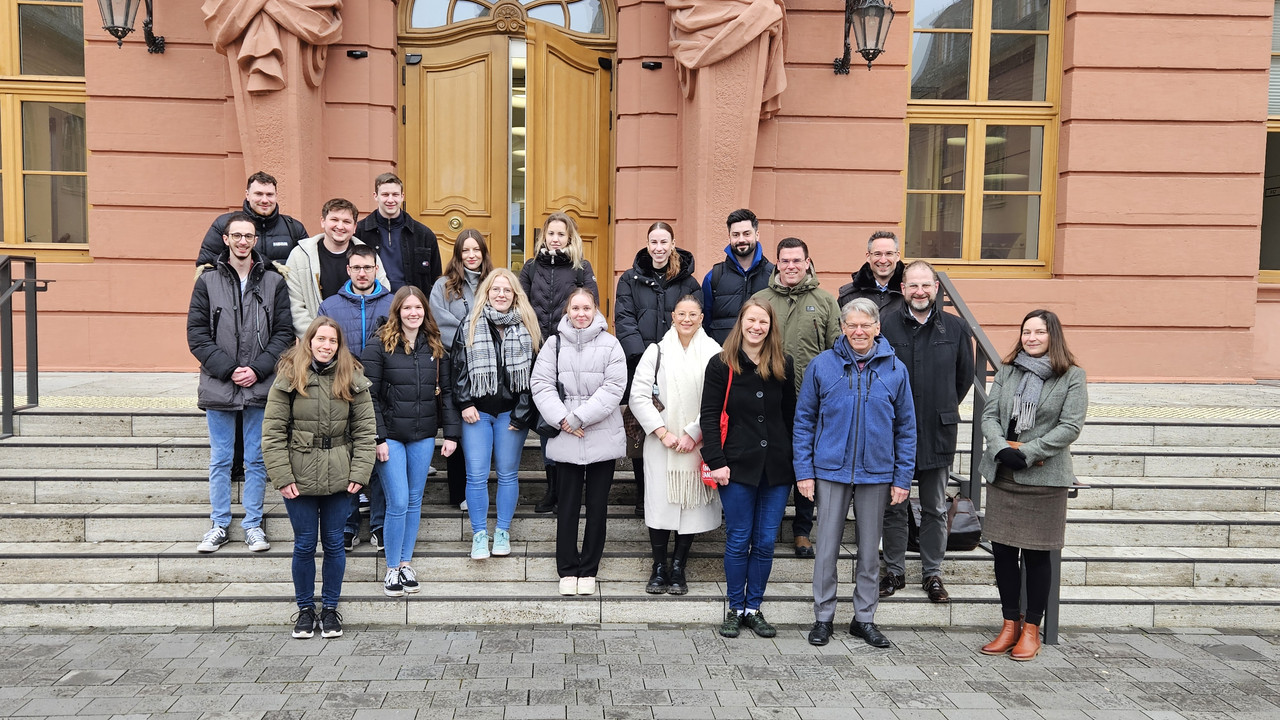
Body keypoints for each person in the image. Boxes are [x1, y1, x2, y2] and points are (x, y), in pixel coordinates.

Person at [793, 297, 916, 649]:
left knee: (867, 552)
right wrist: (804, 471)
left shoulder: (895, 370)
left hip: (877, 473)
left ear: (877, 328)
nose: (858, 331)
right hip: (830, 471)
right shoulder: (823, 366)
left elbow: (906, 428)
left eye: (866, 325)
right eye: (852, 325)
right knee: (827, 548)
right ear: (843, 328)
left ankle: (864, 619)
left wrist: (902, 477)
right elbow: (803, 422)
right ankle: (823, 617)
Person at [978, 309, 1087, 662]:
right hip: (1003, 473)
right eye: (1027, 332)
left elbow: (1070, 426)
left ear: (1052, 336)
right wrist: (999, 448)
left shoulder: (1072, 376)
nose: (1032, 338)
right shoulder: (1008, 371)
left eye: (1039, 332)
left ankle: (1031, 631)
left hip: (1043, 477)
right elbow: (990, 414)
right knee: (1005, 555)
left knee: (1039, 556)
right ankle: (1009, 624)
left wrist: (1027, 453)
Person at [262, 317, 377, 640]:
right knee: (303, 544)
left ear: (339, 346)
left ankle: (329, 609)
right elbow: (272, 433)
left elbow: (366, 431)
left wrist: (359, 472)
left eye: (332, 341)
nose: (326, 346)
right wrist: (282, 476)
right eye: (321, 339)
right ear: (309, 340)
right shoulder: (289, 375)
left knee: (334, 545)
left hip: (340, 475)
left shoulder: (352, 376)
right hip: (298, 475)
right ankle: (304, 610)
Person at [188, 213, 294, 554]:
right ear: (226, 239)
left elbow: (284, 334)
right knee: (220, 460)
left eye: (249, 236)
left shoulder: (274, 281)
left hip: (260, 385)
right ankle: (219, 524)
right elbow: (197, 335)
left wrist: (259, 369)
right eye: (237, 235)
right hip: (220, 384)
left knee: (257, 459)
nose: (243, 241)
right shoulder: (207, 281)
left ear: (255, 240)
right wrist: (230, 369)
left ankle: (252, 525)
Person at [878, 260, 974, 603]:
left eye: (926, 286)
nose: (920, 292)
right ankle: (894, 571)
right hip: (892, 433)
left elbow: (963, 378)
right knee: (893, 506)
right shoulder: (886, 326)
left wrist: (942, 405)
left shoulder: (956, 328)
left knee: (934, 506)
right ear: (902, 289)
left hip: (937, 431)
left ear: (936, 289)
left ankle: (933, 573)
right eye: (913, 286)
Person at [700, 298, 795, 639]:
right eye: (751, 320)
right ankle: (735, 607)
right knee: (739, 539)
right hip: (736, 466)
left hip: (776, 470)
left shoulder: (784, 363)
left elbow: (790, 417)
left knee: (766, 541)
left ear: (771, 327)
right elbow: (709, 417)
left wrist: (796, 466)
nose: (757, 327)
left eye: (763, 322)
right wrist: (717, 462)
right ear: (741, 323)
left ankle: (754, 608)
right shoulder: (720, 364)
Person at [362, 287, 460, 597]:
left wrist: (452, 434)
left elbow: (446, 392)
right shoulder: (379, 345)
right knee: (399, 501)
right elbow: (369, 395)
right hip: (390, 436)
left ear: (425, 311)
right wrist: (378, 437)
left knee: (415, 500)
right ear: (398, 311)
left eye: (418, 307)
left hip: (423, 434)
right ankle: (391, 568)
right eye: (407, 308)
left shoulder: (435, 346)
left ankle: (406, 563)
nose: (413, 313)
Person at [531, 288, 627, 596]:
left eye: (587, 307)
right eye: (575, 308)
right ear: (567, 311)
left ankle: (589, 568)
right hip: (565, 433)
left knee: (597, 507)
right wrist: (562, 418)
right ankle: (567, 568)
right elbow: (541, 384)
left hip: (599, 433)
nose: (581, 313)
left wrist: (579, 418)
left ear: (596, 310)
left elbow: (614, 389)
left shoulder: (611, 344)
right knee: (568, 505)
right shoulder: (553, 344)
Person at [752, 236, 841, 559]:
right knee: (770, 463)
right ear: (777, 263)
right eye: (785, 261)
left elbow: (837, 351)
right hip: (768, 401)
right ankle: (764, 526)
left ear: (807, 263)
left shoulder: (826, 301)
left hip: (811, 401)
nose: (790, 266)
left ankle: (802, 530)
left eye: (796, 261)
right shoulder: (761, 299)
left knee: (807, 465)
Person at [629, 295, 722, 596]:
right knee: (661, 503)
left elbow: (718, 399)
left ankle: (679, 566)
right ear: (672, 316)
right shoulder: (657, 351)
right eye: (681, 313)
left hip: (697, 443)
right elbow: (639, 395)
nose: (686, 319)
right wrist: (662, 432)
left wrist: (693, 433)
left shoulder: (714, 352)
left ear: (701, 317)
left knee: (690, 505)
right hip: (662, 444)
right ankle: (658, 567)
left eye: (692, 314)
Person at [453, 268, 542, 560]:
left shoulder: (527, 326)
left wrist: (522, 412)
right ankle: (480, 534)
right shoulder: (470, 324)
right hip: (476, 413)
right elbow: (458, 366)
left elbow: (535, 375)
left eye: (507, 290)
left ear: (515, 295)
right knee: (476, 475)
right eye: (495, 290)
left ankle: (502, 531)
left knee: (507, 474)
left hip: (510, 414)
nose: (501, 295)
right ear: (486, 293)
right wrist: (464, 402)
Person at [615, 222, 701, 517]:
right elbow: (624, 319)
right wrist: (643, 358)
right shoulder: (629, 279)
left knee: (675, 426)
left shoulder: (688, 282)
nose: (659, 248)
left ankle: (674, 492)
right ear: (647, 244)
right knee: (643, 430)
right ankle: (644, 493)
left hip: (679, 366)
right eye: (654, 242)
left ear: (673, 243)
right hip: (642, 366)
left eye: (664, 241)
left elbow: (694, 320)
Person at [519, 212, 599, 514]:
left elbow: (591, 307)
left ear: (569, 238)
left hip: (574, 354)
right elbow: (521, 305)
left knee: (575, 414)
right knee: (548, 420)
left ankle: (572, 488)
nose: (555, 239)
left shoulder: (581, 268)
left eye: (560, 234)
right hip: (541, 353)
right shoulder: (531, 267)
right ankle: (552, 488)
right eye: (550, 234)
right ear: (544, 237)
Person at [318, 244, 394, 551]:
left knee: (377, 457)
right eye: (356, 268)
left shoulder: (392, 303)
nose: (362, 273)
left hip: (381, 393)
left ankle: (378, 523)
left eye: (368, 267)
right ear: (348, 270)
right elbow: (320, 347)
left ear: (377, 270)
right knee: (346, 460)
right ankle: (348, 525)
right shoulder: (330, 306)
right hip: (342, 391)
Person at [430, 229, 495, 512]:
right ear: (458, 254)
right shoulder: (443, 286)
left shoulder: (493, 282)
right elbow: (437, 320)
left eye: (476, 250)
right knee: (457, 424)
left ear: (483, 253)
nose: (471, 255)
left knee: (480, 427)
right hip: (454, 363)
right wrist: (472, 332)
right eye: (465, 251)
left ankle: (478, 489)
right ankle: (458, 492)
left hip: (488, 365)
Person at [285, 198, 389, 337]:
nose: (340, 226)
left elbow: (383, 296)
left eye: (346, 222)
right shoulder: (300, 256)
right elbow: (295, 307)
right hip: (318, 346)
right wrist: (319, 339)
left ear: (354, 227)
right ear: (323, 221)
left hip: (363, 344)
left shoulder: (369, 256)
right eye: (334, 220)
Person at [196, 170, 309, 266]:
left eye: (269, 194)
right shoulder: (224, 224)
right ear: (247, 195)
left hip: (281, 292)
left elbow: (307, 268)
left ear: (276, 196)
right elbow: (206, 267)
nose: (264, 200)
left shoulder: (294, 228)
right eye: (258, 194)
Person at [354, 172, 442, 292]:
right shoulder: (359, 232)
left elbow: (436, 280)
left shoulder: (424, 234)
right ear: (375, 196)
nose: (391, 200)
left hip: (412, 306)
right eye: (385, 194)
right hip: (372, 303)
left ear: (402, 196)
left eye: (395, 194)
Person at [701, 209, 775, 344]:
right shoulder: (714, 277)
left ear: (757, 235)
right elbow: (704, 324)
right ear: (729, 237)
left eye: (747, 234)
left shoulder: (774, 276)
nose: (741, 240)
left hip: (762, 359)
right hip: (723, 359)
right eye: (736, 235)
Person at [837, 230, 906, 315]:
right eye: (877, 254)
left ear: (898, 256)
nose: (883, 260)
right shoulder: (848, 296)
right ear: (868, 257)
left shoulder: (911, 292)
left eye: (889, 253)